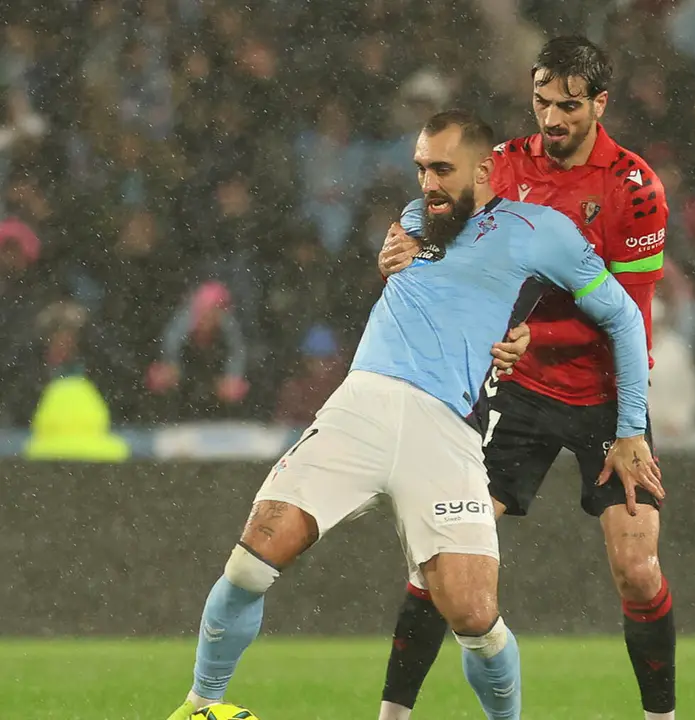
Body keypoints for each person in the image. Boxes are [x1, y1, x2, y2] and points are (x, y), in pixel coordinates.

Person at [164, 108, 663, 720]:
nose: (427, 182)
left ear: (484, 171)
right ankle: (198, 706)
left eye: (442, 170)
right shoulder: (415, 222)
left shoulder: (544, 232)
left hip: (446, 430)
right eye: (421, 167)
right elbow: (434, 280)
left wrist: (629, 424)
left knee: (474, 614)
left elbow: (622, 315)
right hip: (362, 405)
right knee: (253, 555)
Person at [376, 36, 676, 720]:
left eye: (568, 106)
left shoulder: (633, 189)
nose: (551, 119)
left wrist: (631, 429)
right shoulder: (504, 166)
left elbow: (632, 318)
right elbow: (435, 203)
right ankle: (392, 715)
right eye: (541, 102)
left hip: (604, 396)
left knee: (635, 571)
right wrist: (404, 232)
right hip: (517, 391)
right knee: (440, 557)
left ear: (599, 103)